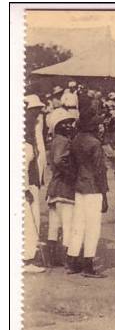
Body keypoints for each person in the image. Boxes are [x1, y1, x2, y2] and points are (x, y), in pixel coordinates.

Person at [65, 108, 109, 278]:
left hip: (80, 185)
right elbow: (99, 171)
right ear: (92, 126)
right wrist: (104, 195)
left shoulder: (75, 140)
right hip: (93, 188)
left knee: (78, 225)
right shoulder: (95, 143)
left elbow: (72, 164)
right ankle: (88, 265)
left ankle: (71, 260)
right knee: (92, 227)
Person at [45, 110, 77, 267]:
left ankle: (52, 258)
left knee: (54, 224)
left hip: (54, 188)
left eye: (70, 123)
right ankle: (68, 260)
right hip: (65, 187)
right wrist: (72, 174)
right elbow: (59, 160)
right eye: (65, 123)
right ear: (57, 127)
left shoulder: (54, 141)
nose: (69, 126)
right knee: (67, 224)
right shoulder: (64, 141)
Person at [23, 95, 47, 273]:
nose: (38, 115)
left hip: (33, 181)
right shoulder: (24, 138)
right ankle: (26, 259)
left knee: (33, 219)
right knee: (28, 221)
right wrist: (24, 189)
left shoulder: (33, 132)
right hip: (26, 184)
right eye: (35, 112)